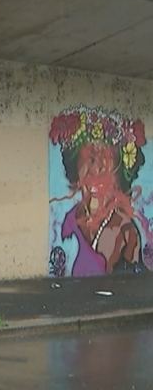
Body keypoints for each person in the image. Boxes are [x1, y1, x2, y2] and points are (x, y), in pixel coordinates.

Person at [50, 107, 147, 276]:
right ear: (75, 169)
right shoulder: (70, 219)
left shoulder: (125, 231)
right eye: (90, 159)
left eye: (106, 161)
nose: (96, 170)